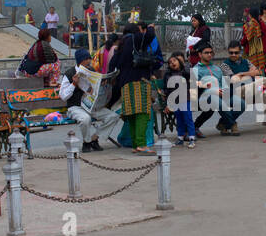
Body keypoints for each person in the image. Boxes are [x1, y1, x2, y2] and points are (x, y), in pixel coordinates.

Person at [108, 24, 156, 154]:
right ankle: (141, 144)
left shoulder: (121, 44)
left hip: (124, 84)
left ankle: (136, 144)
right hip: (139, 81)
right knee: (143, 113)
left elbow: (112, 64)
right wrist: (150, 28)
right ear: (137, 31)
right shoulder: (137, 38)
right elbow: (151, 36)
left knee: (132, 114)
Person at [59, 49, 117, 153]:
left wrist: (103, 85)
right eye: (87, 60)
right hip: (75, 107)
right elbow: (63, 96)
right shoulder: (69, 73)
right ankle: (86, 142)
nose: (89, 62)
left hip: (91, 106)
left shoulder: (92, 71)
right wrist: (73, 84)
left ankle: (94, 138)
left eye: (89, 59)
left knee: (112, 116)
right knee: (85, 119)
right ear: (81, 61)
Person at [162, 52, 195, 148]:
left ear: (180, 62)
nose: (172, 63)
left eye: (174, 60)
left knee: (188, 118)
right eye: (170, 62)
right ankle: (180, 138)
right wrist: (167, 104)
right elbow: (167, 91)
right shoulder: (168, 75)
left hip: (185, 99)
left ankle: (191, 138)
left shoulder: (185, 72)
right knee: (179, 119)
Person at [241, 4, 266, 71]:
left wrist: (242, 43)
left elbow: (246, 38)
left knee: (252, 70)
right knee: (262, 70)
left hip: (251, 52)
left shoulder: (248, 25)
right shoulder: (262, 24)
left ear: (250, 15)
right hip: (262, 51)